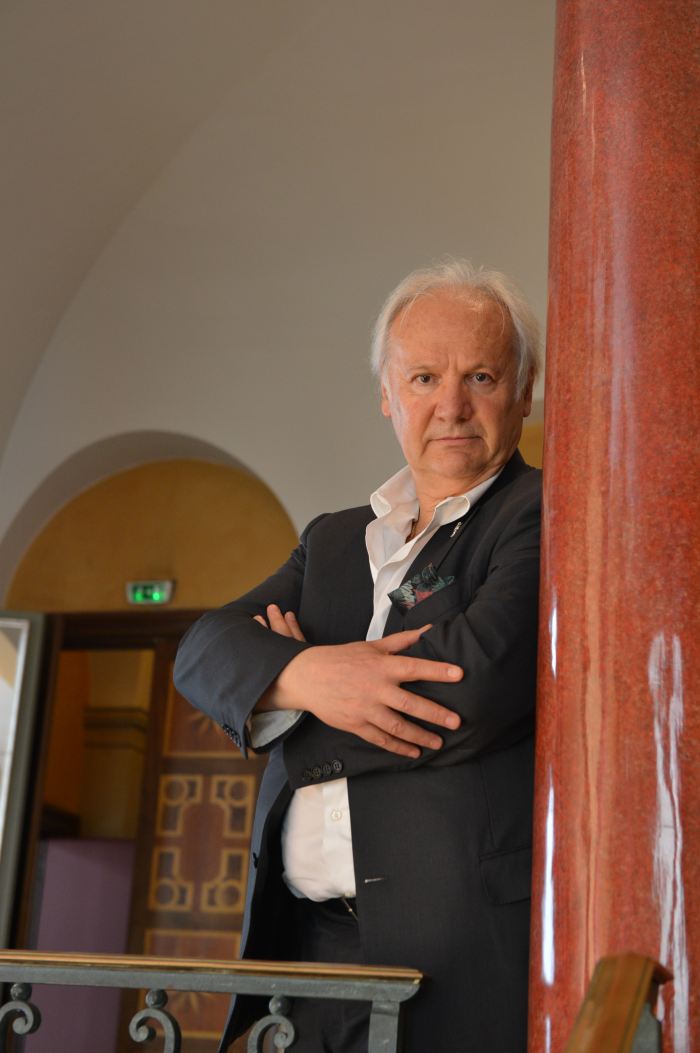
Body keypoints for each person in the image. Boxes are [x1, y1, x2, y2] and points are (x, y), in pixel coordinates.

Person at [173, 258, 542, 1052]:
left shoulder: (542, 512)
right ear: (386, 393)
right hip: (303, 955)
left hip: (457, 957)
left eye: (480, 376)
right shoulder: (335, 540)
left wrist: (284, 697)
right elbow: (204, 651)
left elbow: (469, 686)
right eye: (423, 377)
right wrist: (309, 672)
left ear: (523, 390)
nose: (451, 404)